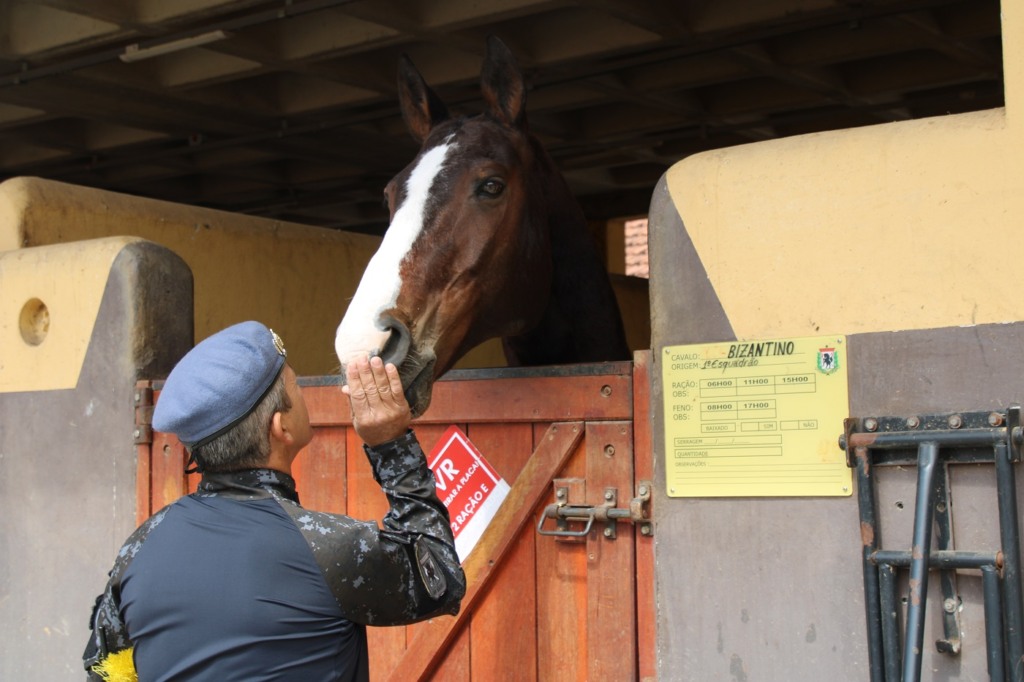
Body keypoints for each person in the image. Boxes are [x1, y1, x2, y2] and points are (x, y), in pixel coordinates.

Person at [82, 321, 465, 681]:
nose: (301, 396)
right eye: (296, 388)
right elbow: (442, 577)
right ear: (280, 426)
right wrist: (390, 443)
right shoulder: (329, 549)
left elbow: (101, 668)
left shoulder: (140, 548)